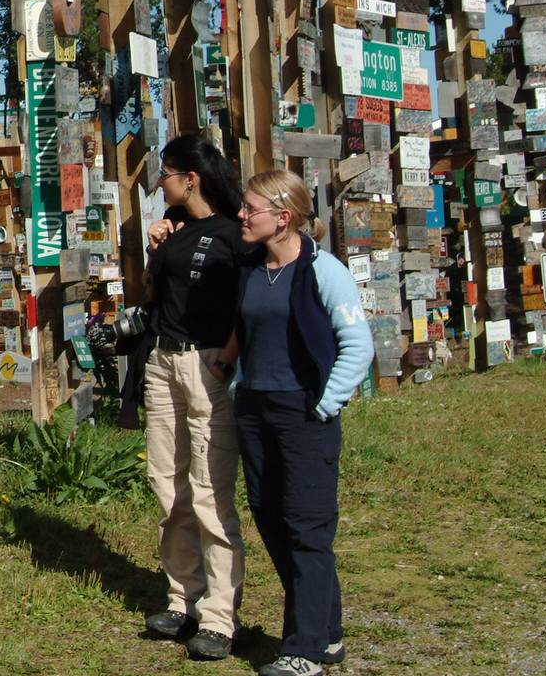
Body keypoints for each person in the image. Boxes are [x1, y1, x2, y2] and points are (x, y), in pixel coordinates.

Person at [233, 170, 375, 676]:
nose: (243, 216)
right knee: (270, 517)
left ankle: (304, 650)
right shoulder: (250, 268)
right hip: (255, 409)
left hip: (304, 413)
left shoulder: (323, 270)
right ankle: (327, 632)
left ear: (284, 217)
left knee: (308, 528)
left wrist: (326, 402)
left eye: (252, 209)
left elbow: (358, 345)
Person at [130, 135, 250, 662]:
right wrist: (156, 250)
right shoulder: (175, 233)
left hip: (205, 364)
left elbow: (252, 302)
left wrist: (225, 359)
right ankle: (183, 597)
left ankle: (220, 617)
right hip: (163, 361)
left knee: (209, 491)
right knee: (168, 486)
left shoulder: (234, 235)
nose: (161, 183)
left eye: (167, 174)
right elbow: (151, 296)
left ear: (191, 179)